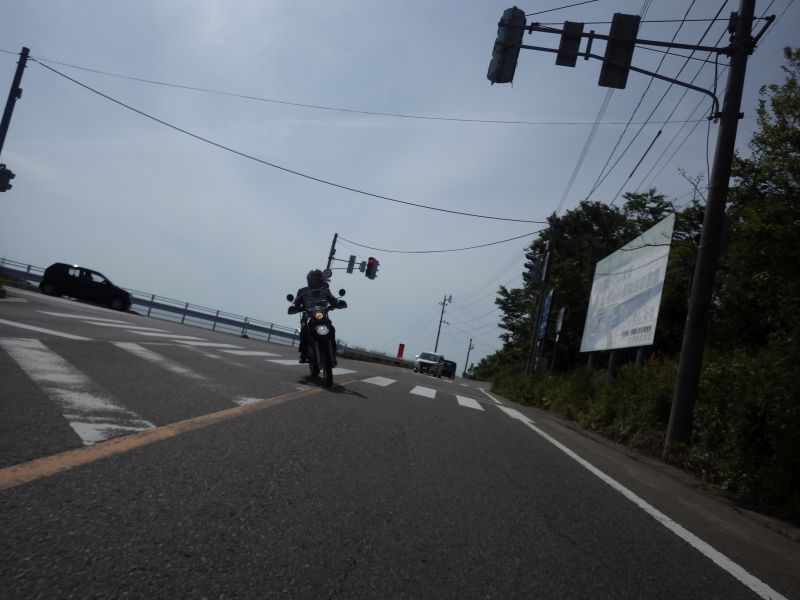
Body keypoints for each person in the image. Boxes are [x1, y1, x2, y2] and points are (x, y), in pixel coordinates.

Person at [289, 269, 345, 363]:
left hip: (322, 315)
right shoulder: (303, 291)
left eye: (316, 280)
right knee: (304, 330)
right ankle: (304, 354)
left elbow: (333, 300)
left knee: (331, 329)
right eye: (312, 280)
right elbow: (296, 302)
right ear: (308, 281)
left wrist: (338, 304)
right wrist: (295, 308)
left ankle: (333, 353)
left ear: (321, 281)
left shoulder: (325, 291)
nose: (314, 282)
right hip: (308, 315)